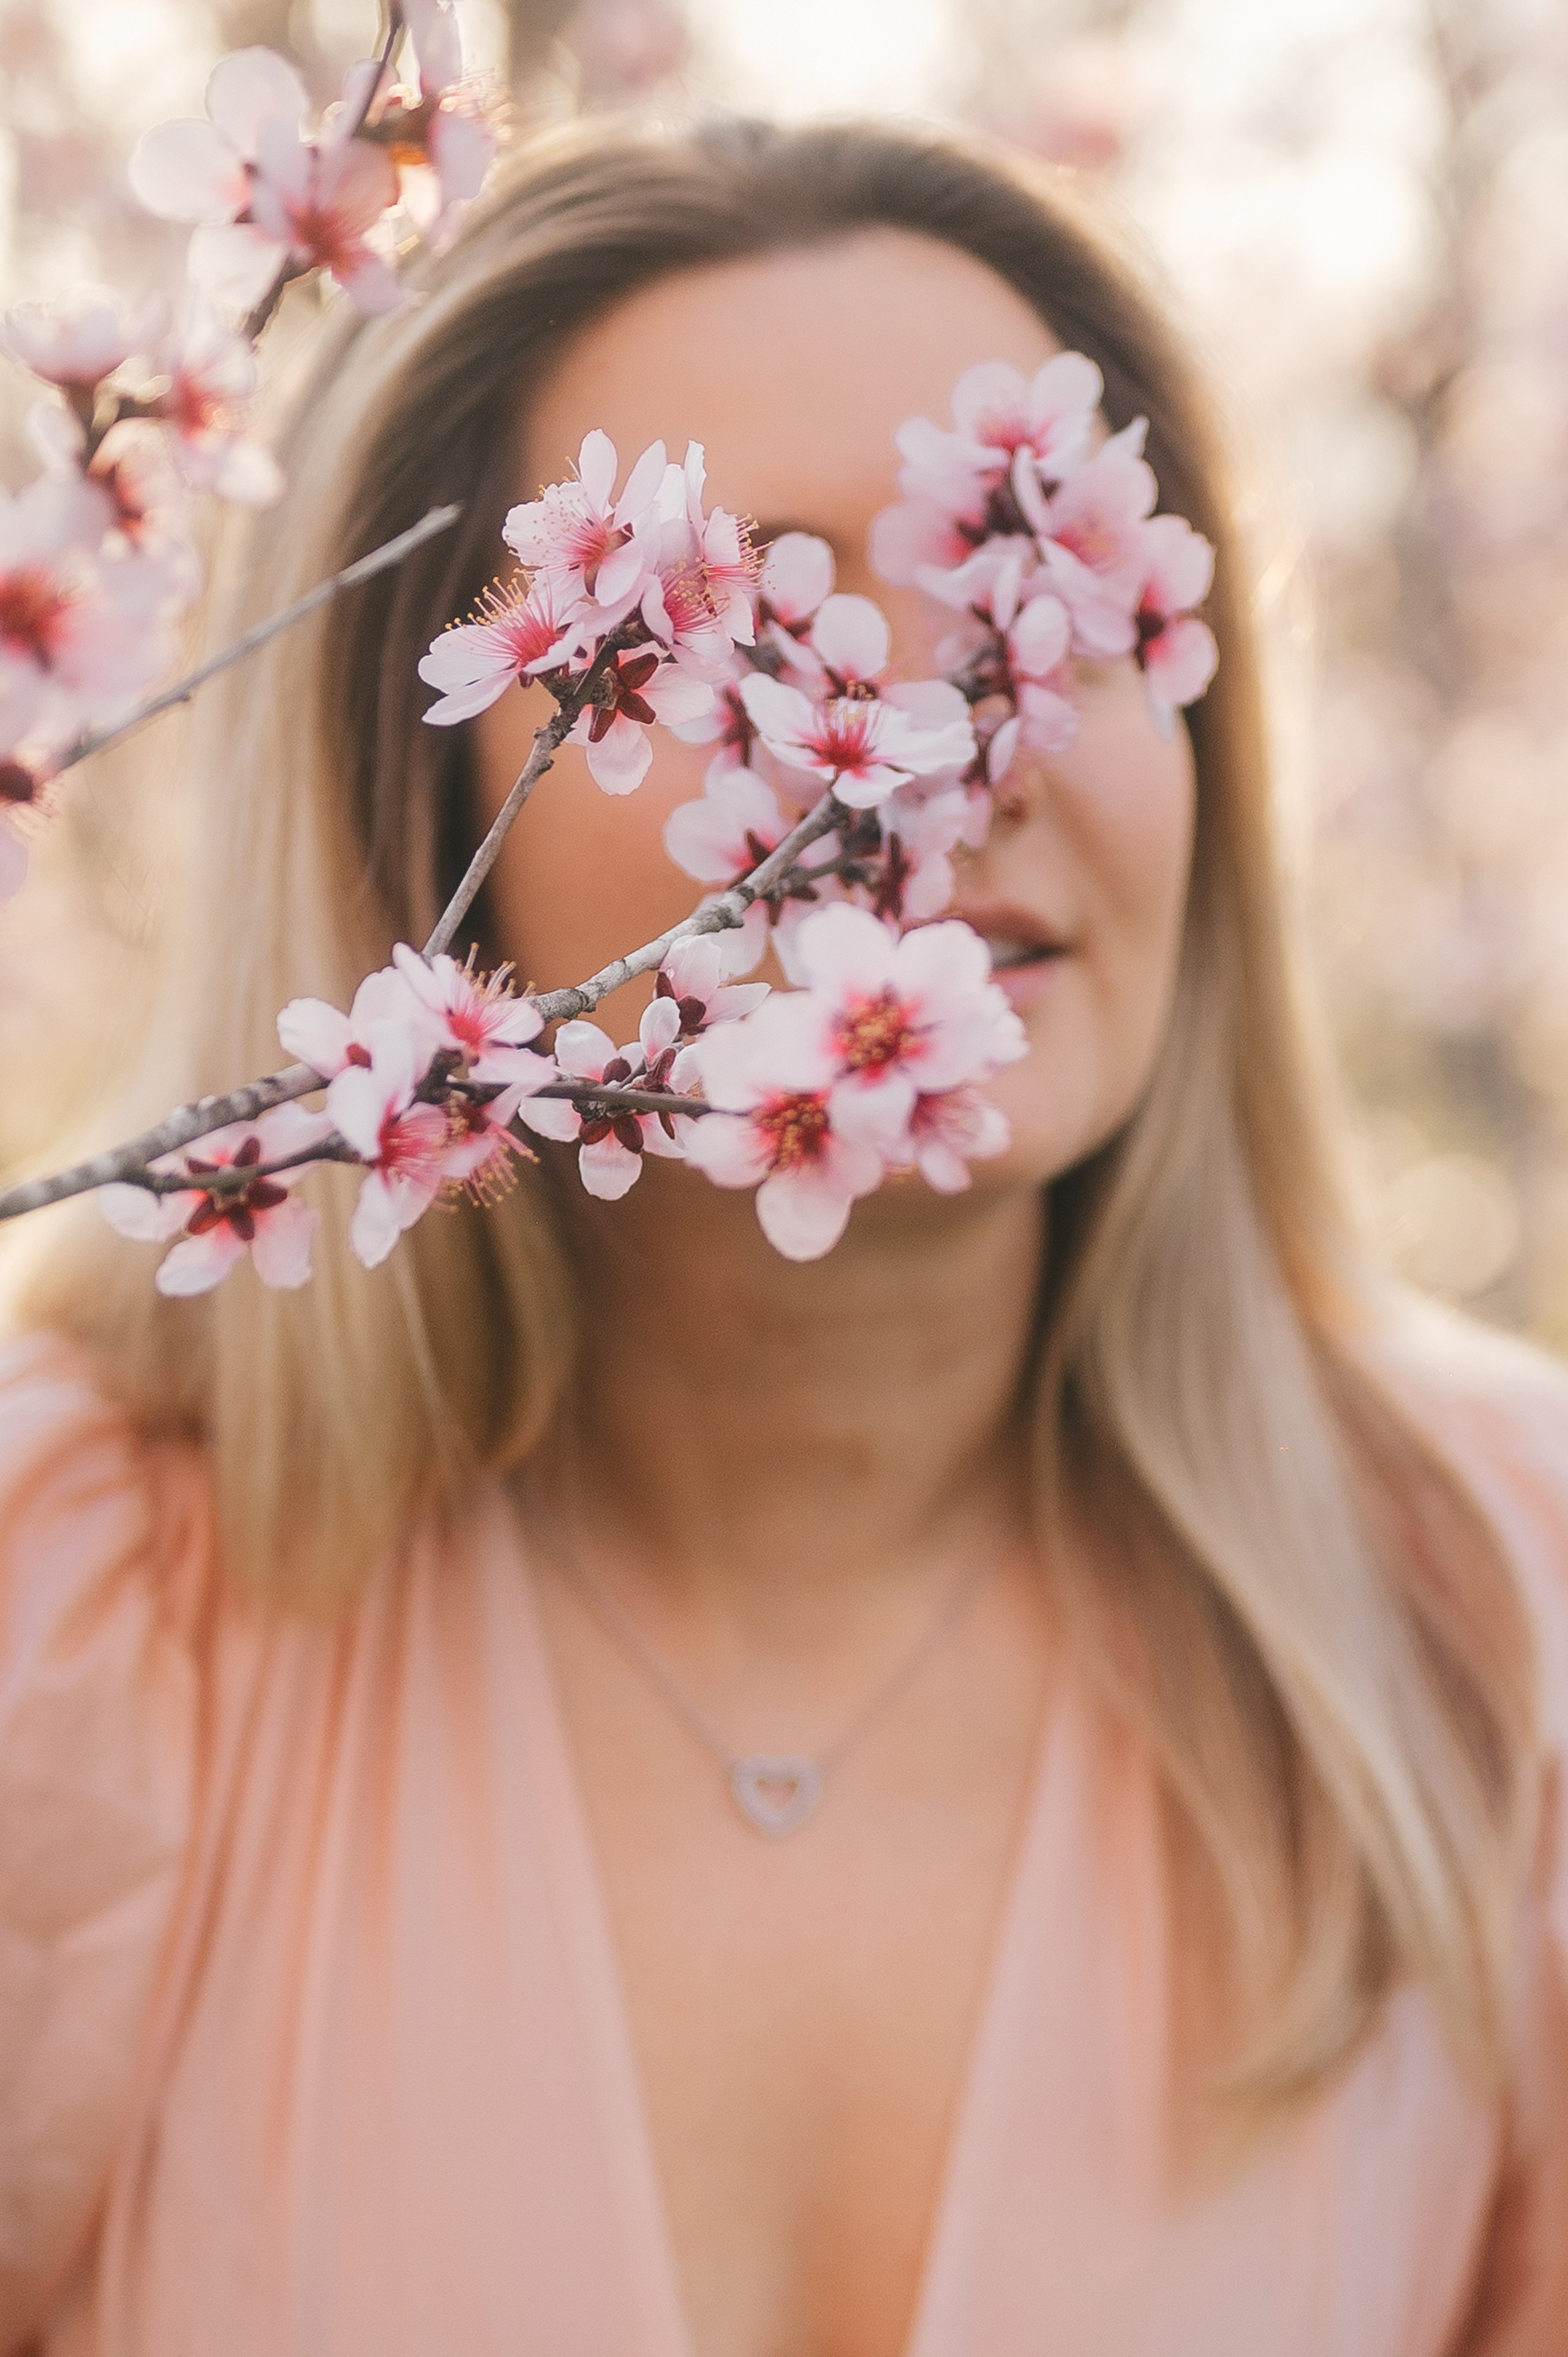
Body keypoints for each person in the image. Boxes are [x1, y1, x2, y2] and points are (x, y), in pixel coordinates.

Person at [2, 113, 1566, 2357]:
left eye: (1048, 624)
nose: (953, 759)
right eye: (772, 642)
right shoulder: (61, 1601)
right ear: (431, 801)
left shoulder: (1505, 1609)